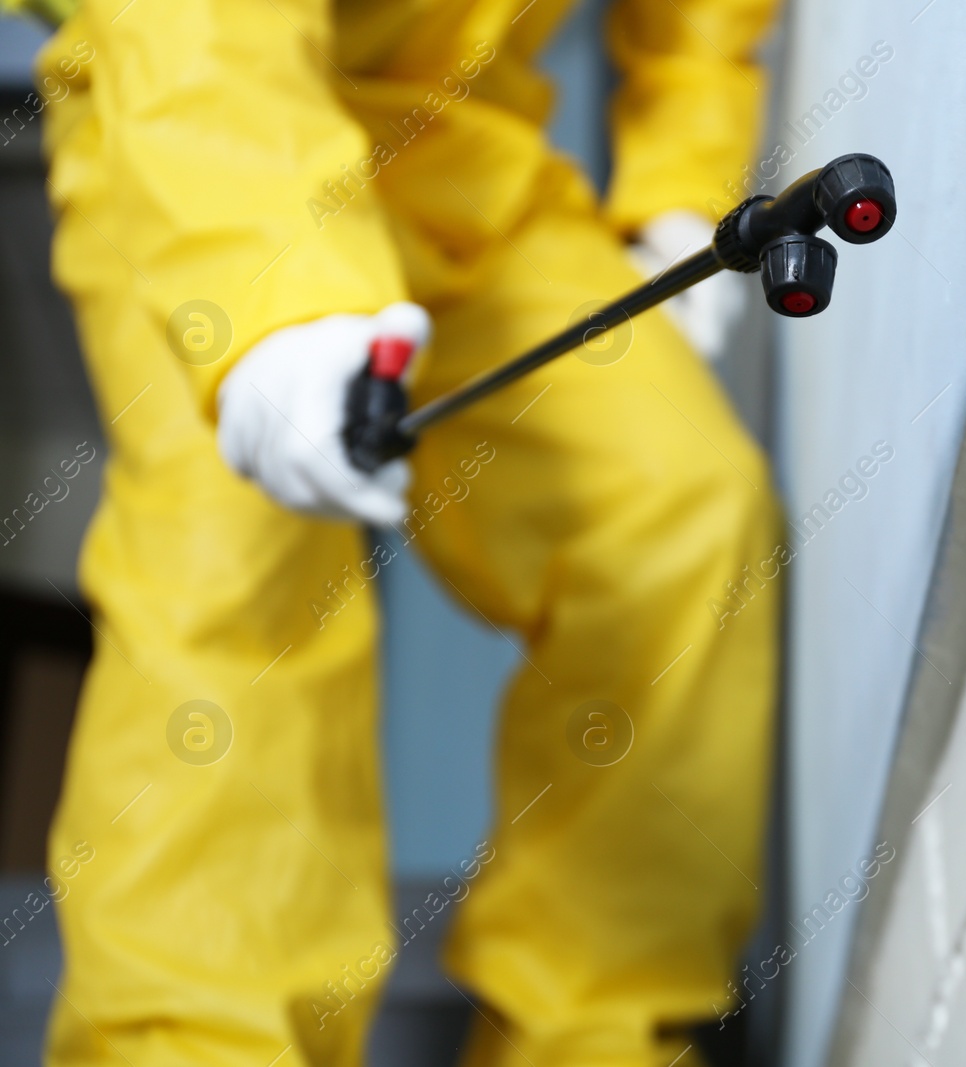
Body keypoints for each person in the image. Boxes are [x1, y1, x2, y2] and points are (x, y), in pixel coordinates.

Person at [15, 0, 781, 1064]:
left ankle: (591, 1031)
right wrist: (271, 305)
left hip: (457, 152)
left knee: (675, 505)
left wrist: (682, 183)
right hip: (200, 138)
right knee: (236, 581)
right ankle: (189, 1043)